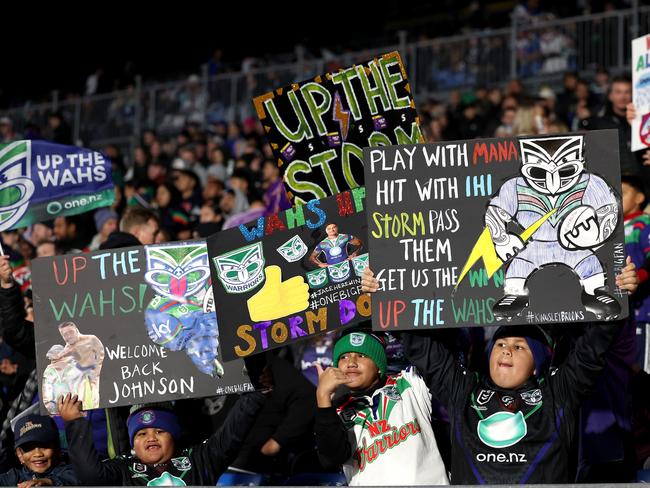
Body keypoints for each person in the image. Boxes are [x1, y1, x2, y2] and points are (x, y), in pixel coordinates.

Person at [360, 260, 638, 484]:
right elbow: (422, 349)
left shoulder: (558, 393)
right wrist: (385, 295)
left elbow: (593, 348)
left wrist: (617, 292)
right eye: (501, 344)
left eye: (520, 347)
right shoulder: (463, 390)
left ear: (537, 364)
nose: (507, 350)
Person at [314, 327, 449, 485]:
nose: (351, 363)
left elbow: (435, 354)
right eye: (344, 357)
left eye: (361, 355)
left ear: (379, 365)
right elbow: (331, 459)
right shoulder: (334, 410)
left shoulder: (410, 383)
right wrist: (322, 398)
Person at [59, 389, 266, 485]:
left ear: (173, 435)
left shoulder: (200, 460)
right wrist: (75, 423)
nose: (151, 438)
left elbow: (233, 432)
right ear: (133, 442)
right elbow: (90, 475)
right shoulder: (123, 470)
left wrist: (257, 394)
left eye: (160, 431)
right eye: (141, 433)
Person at [0, 414, 79, 486]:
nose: (38, 454)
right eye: (29, 448)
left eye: (44, 446)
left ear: (57, 448)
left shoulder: (69, 471)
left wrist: (49, 482)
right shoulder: (14, 477)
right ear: (20, 454)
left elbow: (72, 480)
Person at [55, 322, 104, 410]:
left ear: (77, 330)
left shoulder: (91, 339)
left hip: (97, 374)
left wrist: (97, 370)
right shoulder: (65, 351)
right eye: (65, 334)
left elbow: (101, 353)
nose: (69, 336)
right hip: (80, 382)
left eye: (71, 332)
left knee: (96, 400)